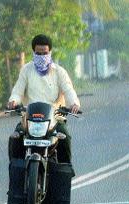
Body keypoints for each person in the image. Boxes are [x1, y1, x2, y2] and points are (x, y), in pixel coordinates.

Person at [7, 34, 80, 163]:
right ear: (33, 52)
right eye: (38, 53)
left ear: (50, 52)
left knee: (65, 138)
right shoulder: (26, 70)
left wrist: (74, 104)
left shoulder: (59, 72)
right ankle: (16, 178)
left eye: (44, 53)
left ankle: (63, 176)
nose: (41, 57)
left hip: (54, 119)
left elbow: (68, 90)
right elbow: (18, 90)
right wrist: (13, 101)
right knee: (15, 139)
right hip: (29, 120)